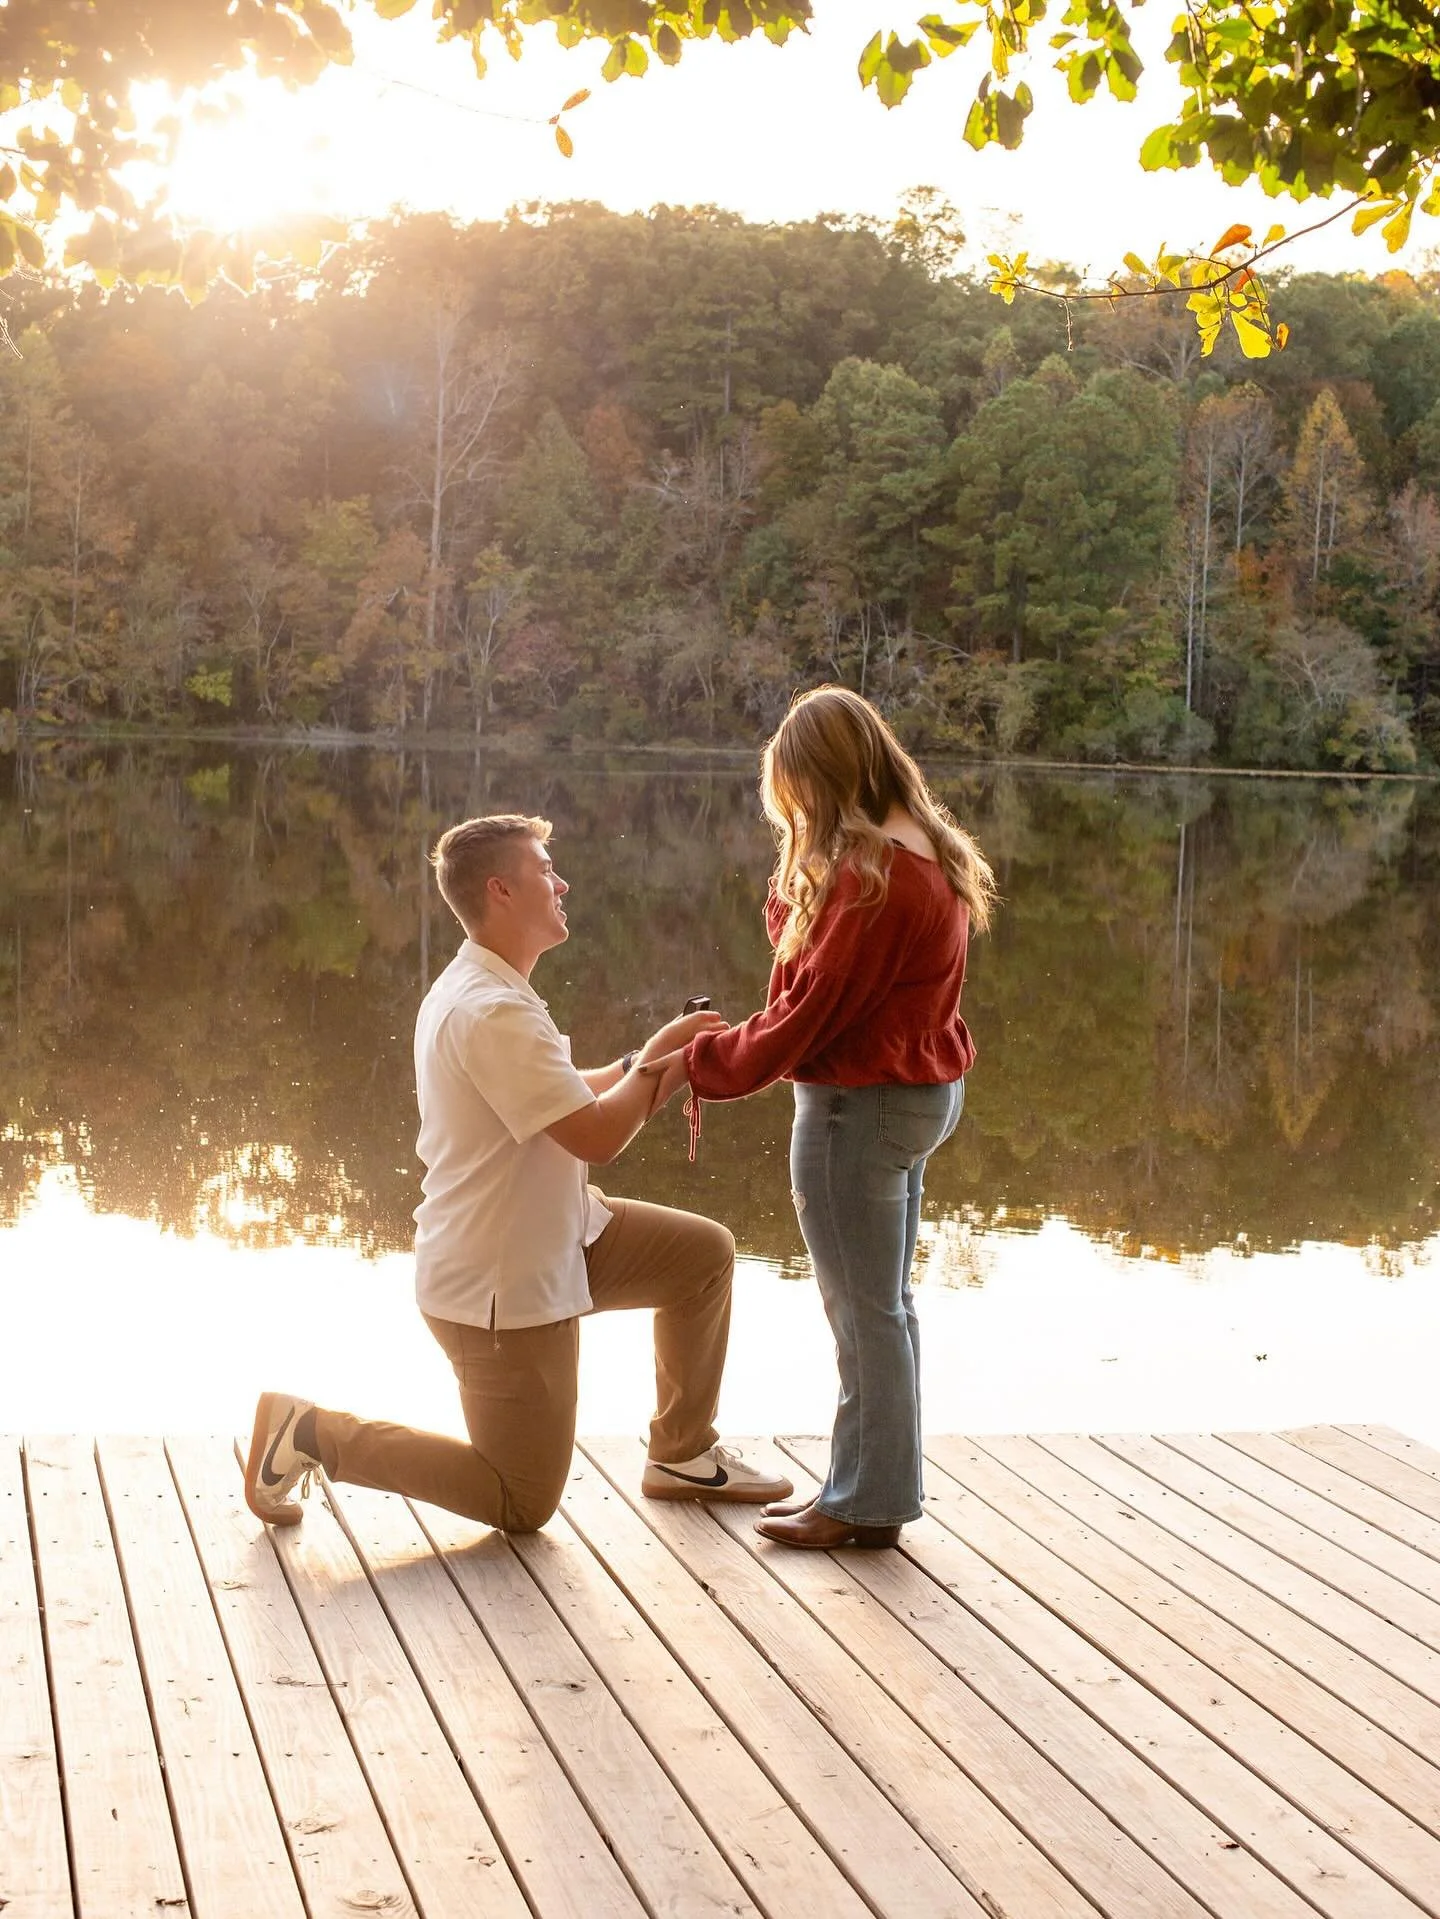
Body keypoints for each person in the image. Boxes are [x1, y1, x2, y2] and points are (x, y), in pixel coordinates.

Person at [244, 812, 792, 1533]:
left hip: (561, 1236)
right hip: (498, 1287)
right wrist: (667, 1062)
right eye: (545, 870)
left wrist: (647, 1059)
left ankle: (682, 1453)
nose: (561, 882)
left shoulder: (492, 986)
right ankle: (309, 1431)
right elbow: (595, 1135)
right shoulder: (490, 1009)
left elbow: (568, 1090)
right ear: (501, 889)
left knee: (703, 1257)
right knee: (521, 1500)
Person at [650, 687, 995, 1549]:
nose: (794, 815)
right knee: (889, 1307)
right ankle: (877, 1493)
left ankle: (861, 1503)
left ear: (824, 780)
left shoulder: (872, 878)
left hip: (859, 1108)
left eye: (797, 798)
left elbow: (806, 1012)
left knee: (863, 1312)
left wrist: (701, 1063)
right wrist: (798, 891)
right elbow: (821, 976)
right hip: (919, 1094)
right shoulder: (929, 849)